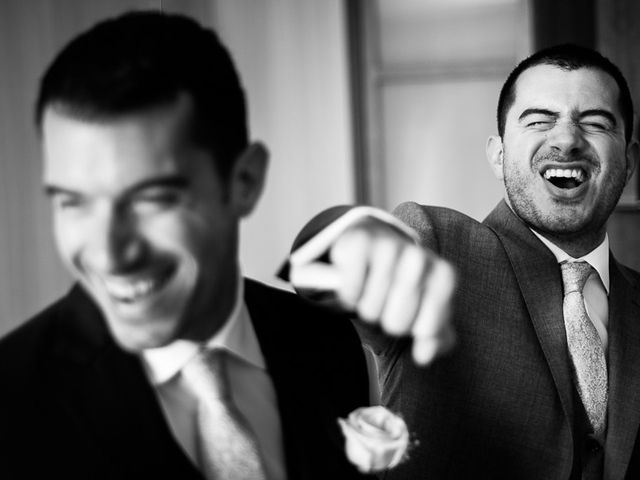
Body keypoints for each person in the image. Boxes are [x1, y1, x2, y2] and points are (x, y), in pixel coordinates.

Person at [0, 11, 373, 480]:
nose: (109, 254)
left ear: (244, 180)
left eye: (151, 199)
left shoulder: (328, 344)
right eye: (73, 203)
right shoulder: (11, 405)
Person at [286, 44, 640, 479]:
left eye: (595, 123)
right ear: (497, 154)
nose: (566, 139)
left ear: (629, 162)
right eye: (538, 120)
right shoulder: (438, 244)